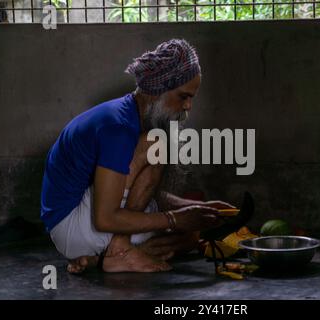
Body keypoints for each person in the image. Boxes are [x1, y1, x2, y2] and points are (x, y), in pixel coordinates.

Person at [40, 39, 234, 274]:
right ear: (158, 91)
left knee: (190, 237)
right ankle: (120, 248)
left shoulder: (131, 115)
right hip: (72, 225)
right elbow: (105, 218)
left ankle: (100, 259)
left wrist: (196, 208)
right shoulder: (118, 127)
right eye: (183, 96)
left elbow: (132, 190)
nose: (188, 106)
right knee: (157, 144)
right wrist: (175, 218)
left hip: (88, 223)